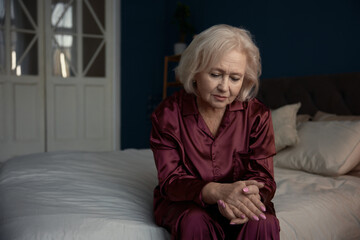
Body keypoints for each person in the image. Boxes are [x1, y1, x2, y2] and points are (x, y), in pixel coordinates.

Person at [150, 24, 280, 239]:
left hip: (241, 202)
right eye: (215, 74)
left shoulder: (258, 115)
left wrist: (246, 198)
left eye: (235, 78)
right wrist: (217, 192)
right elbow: (171, 181)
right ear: (195, 71)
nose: (224, 87)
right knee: (194, 221)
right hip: (187, 202)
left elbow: (263, 177)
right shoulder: (167, 115)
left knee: (262, 222)